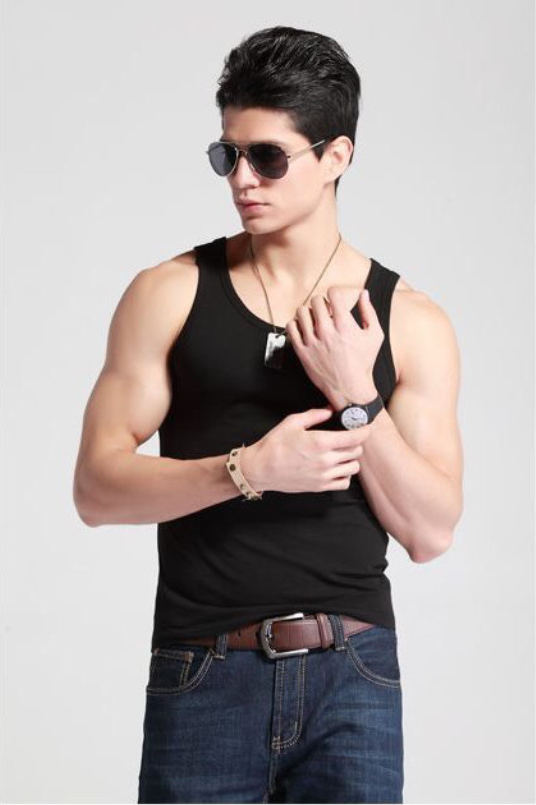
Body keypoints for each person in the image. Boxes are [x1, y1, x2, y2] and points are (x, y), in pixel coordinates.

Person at [73, 25, 464, 804]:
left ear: (336, 157)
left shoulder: (411, 320)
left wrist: (357, 397)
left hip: (352, 675)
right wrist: (247, 469)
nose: (242, 180)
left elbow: (431, 531)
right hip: (204, 669)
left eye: (268, 157)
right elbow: (95, 489)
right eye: (228, 155)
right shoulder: (169, 292)